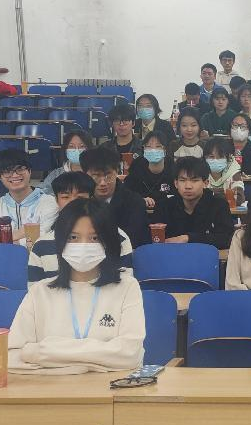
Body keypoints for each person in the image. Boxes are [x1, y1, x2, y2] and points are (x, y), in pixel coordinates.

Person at [8, 198, 145, 375]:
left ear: (108, 242)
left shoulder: (127, 287)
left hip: (109, 389)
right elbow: (13, 356)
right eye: (73, 237)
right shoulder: (39, 292)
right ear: (60, 241)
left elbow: (130, 355)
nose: (83, 245)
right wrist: (85, 365)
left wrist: (42, 351)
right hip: (49, 389)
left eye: (95, 238)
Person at [28, 172, 133, 285]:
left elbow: (124, 284)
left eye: (80, 197)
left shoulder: (116, 237)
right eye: (65, 197)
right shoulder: (42, 244)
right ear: (56, 201)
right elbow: (35, 289)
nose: (72, 203)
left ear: (91, 199)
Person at [0, 149, 58, 245]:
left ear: (29, 171)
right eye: (7, 171)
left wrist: (1, 242)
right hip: (3, 255)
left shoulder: (49, 202)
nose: (15, 175)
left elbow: (42, 239)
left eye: (20, 169)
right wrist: (14, 235)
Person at [151, 156, 234, 249]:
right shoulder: (164, 206)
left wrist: (188, 238)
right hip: (172, 256)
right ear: (176, 183)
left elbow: (227, 238)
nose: (188, 186)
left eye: (194, 180)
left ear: (205, 183)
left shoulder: (219, 205)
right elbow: (154, 238)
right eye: (182, 180)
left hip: (205, 257)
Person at [82, 147, 150, 247]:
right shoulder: (80, 201)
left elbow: (134, 240)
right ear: (85, 175)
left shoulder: (134, 202)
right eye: (96, 176)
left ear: (117, 171)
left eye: (108, 176)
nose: (103, 183)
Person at [124, 131, 175, 209]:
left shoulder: (173, 170)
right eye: (148, 146)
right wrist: (140, 200)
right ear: (144, 149)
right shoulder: (136, 168)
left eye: (158, 146)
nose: (153, 150)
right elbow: (126, 193)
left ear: (165, 150)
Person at [41, 130, 92, 195]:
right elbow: (42, 194)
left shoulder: (96, 174)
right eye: (71, 146)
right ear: (65, 150)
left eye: (82, 146)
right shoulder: (56, 175)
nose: (76, 150)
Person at [204, 137, 245, 205]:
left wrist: (210, 194)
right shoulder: (200, 172)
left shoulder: (234, 172)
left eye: (220, 157)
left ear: (228, 158)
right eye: (211, 157)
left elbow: (239, 198)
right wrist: (225, 194)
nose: (215, 160)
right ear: (205, 157)